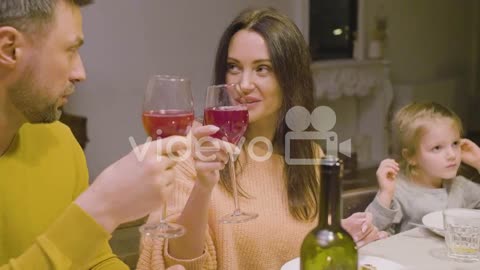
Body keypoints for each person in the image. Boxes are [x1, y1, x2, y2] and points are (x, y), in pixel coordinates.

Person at [137, 8, 387, 270]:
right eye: (233, 67)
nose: (244, 84)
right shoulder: (194, 152)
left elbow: (294, 246)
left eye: (262, 68)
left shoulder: (309, 156)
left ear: (290, 79)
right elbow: (176, 263)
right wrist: (202, 186)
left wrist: (337, 237)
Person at [0, 1, 185, 269]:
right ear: (9, 48)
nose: (80, 73)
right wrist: (102, 208)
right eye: (71, 50)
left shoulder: (58, 141)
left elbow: (93, 260)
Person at [366, 102, 480, 235]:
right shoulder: (398, 191)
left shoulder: (460, 186)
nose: (452, 155)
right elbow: (369, 230)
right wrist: (384, 194)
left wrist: (479, 162)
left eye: (455, 143)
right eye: (437, 148)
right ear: (411, 156)